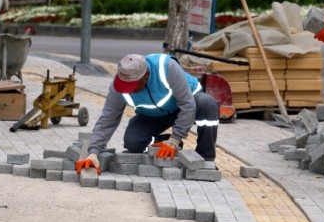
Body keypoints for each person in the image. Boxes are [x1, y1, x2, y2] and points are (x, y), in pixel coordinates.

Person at [75, 53, 219, 175]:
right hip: (154, 115)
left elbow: (188, 105)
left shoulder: (166, 67)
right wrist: (93, 152)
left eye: (132, 85)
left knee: (208, 104)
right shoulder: (118, 86)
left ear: (146, 75)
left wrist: (175, 139)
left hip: (187, 106)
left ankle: (205, 159)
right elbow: (108, 119)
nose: (128, 90)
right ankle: (164, 141)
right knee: (132, 141)